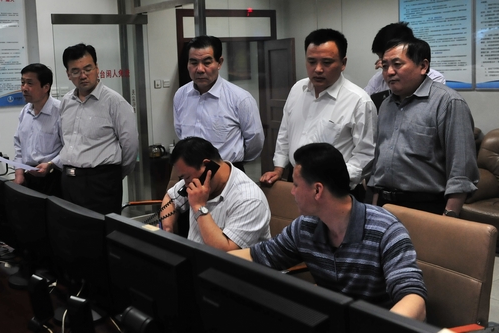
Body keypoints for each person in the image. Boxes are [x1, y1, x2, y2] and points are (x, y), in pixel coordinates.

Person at [233, 143, 427, 321]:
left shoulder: (386, 230)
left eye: (296, 185)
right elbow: (259, 256)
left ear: (317, 190)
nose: (292, 192)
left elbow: (413, 298)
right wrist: (215, 261)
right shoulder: (305, 227)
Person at [368, 37, 479, 217]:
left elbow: (461, 172)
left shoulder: (448, 102)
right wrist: (374, 209)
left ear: (423, 66)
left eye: (397, 64)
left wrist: (448, 220)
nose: (389, 72)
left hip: (424, 207)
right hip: (384, 205)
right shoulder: (386, 105)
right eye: (385, 66)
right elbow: (378, 164)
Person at [260, 29, 376, 194]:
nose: (318, 69)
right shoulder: (297, 89)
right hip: (297, 181)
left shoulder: (359, 101)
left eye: (327, 62)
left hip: (335, 189)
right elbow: (285, 132)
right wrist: (279, 168)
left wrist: (336, 179)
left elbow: (365, 154)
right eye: (312, 61)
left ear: (343, 63)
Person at [59, 43, 139, 215]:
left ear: (97, 68)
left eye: (88, 69)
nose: (83, 75)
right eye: (76, 71)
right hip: (70, 181)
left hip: (101, 182)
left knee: (102, 229)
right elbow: (64, 140)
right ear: (68, 74)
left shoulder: (114, 102)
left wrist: (112, 175)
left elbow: (131, 146)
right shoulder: (66, 102)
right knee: (72, 228)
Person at [159, 137, 270, 252]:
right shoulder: (195, 181)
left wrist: (199, 207)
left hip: (224, 262)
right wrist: (167, 229)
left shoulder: (249, 199)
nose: (186, 185)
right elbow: (171, 197)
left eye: (186, 177)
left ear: (207, 166)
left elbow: (227, 252)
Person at [173, 35, 264, 171]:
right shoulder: (181, 95)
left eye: (207, 62)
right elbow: (180, 132)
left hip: (227, 172)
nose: (200, 69)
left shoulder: (240, 98)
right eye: (194, 62)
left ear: (219, 63)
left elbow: (255, 141)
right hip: (191, 173)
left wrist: (233, 164)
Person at [13, 63, 63, 195]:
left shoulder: (60, 111)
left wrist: (51, 164)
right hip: (28, 177)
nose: (24, 88)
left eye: (30, 83)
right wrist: (19, 173)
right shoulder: (25, 111)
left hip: (53, 177)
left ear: (46, 87)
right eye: (22, 83)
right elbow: (19, 145)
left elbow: (69, 148)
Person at [364, 22, 445, 97]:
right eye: (381, 58)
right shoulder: (378, 78)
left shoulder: (435, 78)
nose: (381, 62)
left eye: (397, 63)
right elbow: (365, 100)